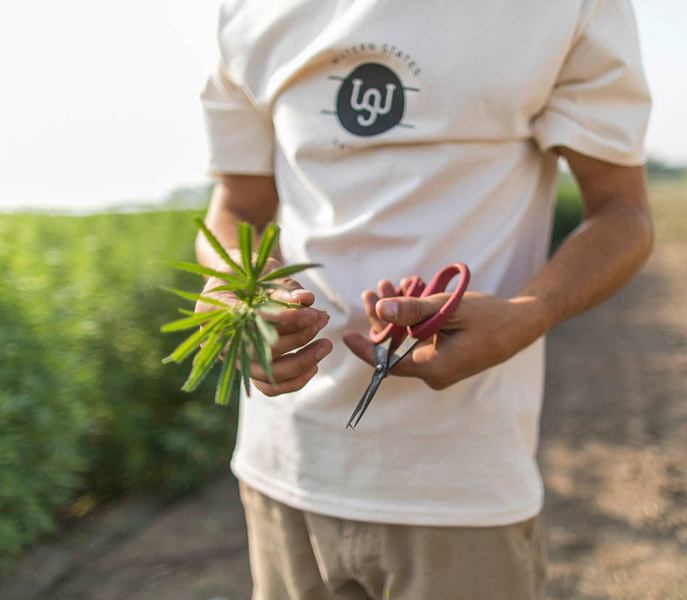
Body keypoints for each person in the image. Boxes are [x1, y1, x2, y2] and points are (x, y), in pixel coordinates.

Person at [196, 0, 652, 598]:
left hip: (460, 484)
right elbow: (237, 206)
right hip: (285, 466)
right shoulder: (248, 11)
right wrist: (240, 288)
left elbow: (624, 212)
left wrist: (525, 316)